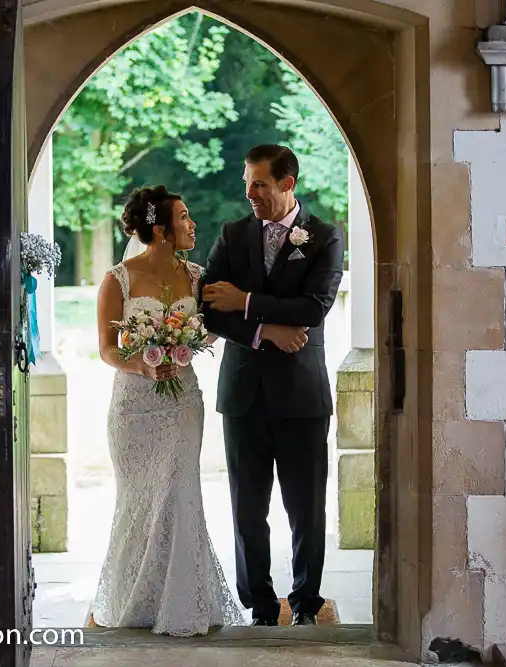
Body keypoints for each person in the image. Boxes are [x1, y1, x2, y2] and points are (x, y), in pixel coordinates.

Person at [89, 184, 244, 636]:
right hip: (132, 409)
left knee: (179, 493)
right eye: (184, 217)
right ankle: (137, 601)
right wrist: (140, 361)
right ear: (159, 230)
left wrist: (186, 346)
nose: (192, 224)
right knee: (139, 501)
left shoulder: (197, 276)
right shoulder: (117, 279)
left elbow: (217, 328)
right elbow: (105, 349)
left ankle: (183, 601)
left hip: (182, 404)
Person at [202, 144, 344, 626]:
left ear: (287, 183)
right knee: (247, 509)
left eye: (259, 184)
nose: (250, 194)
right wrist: (264, 329)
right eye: (247, 183)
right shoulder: (232, 233)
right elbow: (206, 308)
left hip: (303, 396)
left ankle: (305, 603)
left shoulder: (324, 236)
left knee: (305, 508)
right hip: (243, 394)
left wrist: (245, 301)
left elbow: (315, 308)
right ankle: (260, 605)